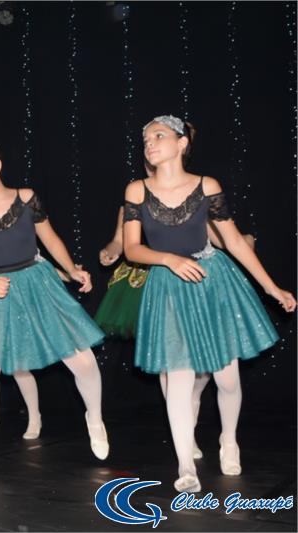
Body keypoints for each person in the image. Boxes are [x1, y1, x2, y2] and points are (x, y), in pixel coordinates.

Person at [123, 115, 295, 492]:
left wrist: (272, 288)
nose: (150, 143)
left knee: (227, 379)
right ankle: (186, 465)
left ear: (182, 143)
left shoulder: (206, 185)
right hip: (168, 287)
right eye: (146, 139)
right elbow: (131, 248)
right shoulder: (137, 190)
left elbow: (233, 242)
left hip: (211, 283)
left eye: (159, 136)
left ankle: (228, 439)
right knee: (179, 378)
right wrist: (168, 259)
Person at [0, 129, 108, 482]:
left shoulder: (26, 198)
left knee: (82, 360)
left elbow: (50, 239)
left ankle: (94, 417)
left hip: (36, 283)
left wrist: (72, 269)